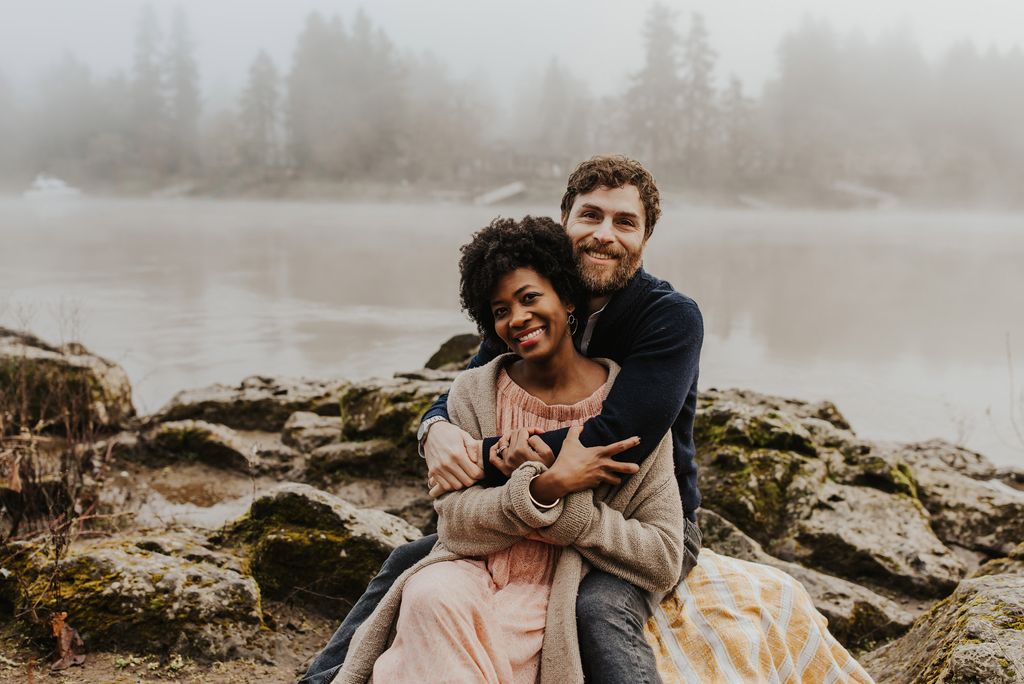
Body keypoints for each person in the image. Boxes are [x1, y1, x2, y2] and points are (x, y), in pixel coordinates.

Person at [301, 155, 703, 684]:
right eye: (591, 215)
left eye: (624, 222)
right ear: (565, 221)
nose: (605, 234)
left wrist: (495, 457)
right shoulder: (532, 299)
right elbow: (471, 385)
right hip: (529, 511)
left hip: (634, 514)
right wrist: (435, 430)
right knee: (408, 562)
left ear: (646, 238)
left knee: (596, 610)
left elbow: (616, 438)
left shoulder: (668, 317)